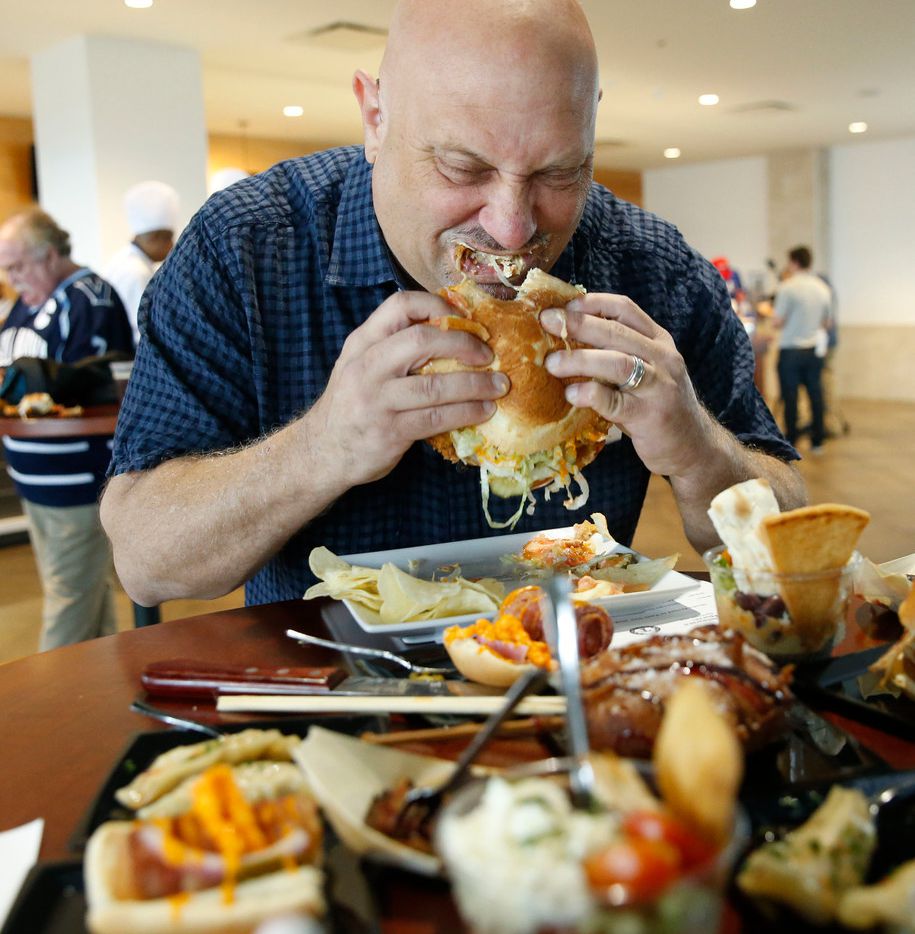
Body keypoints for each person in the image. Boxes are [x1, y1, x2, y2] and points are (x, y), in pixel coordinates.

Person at [100, 0, 806, 609]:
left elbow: (793, 543)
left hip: (575, 688)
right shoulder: (248, 248)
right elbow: (147, 562)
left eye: (559, 173)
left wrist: (698, 450)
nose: (511, 228)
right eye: (461, 168)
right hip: (324, 697)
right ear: (375, 118)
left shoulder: (652, 268)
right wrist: (324, 446)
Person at [0, 208, 134, 649]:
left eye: (18, 266)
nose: (12, 277)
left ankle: (43, 709)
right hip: (34, 476)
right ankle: (97, 690)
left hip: (75, 478)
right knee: (85, 592)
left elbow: (85, 387)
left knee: (68, 599)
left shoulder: (87, 300)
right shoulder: (29, 300)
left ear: (50, 255)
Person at [102, 180, 180, 347]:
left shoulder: (123, 260)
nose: (172, 246)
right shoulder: (136, 272)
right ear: (156, 238)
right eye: (169, 238)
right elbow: (142, 331)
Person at [772, 245, 831, 453]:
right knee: (815, 395)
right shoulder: (822, 288)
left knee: (791, 397)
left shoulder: (788, 287)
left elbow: (777, 322)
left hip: (791, 351)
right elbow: (827, 323)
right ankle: (818, 441)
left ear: (794, 262)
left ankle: (792, 442)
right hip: (814, 351)